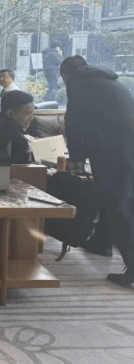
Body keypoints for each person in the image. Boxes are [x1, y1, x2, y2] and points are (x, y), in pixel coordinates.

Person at [61, 56, 134, 286]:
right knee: (115, 201)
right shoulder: (108, 81)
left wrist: (76, 157)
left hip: (113, 153)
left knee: (117, 206)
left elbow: (74, 122)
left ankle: (132, 269)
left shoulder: (78, 82)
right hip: (127, 150)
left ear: (64, 75)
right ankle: (102, 242)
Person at [0, 90, 35, 164]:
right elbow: (25, 168)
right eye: (28, 113)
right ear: (10, 114)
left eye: (32, 113)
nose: (31, 118)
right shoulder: (18, 140)